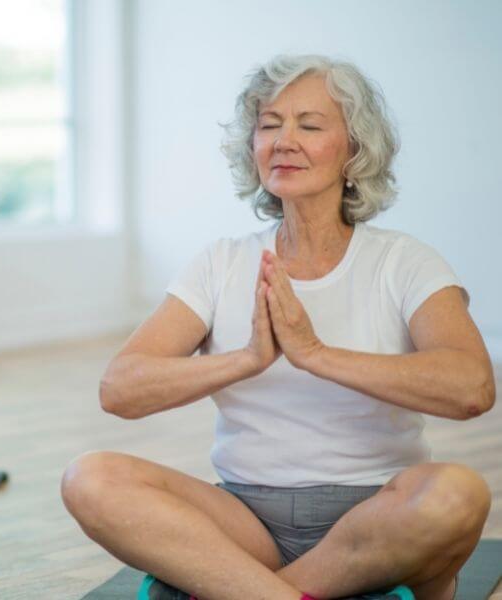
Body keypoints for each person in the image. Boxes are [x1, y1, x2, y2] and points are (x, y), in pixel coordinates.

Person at [61, 55, 495, 600]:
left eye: (309, 126)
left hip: (376, 514)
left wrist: (314, 353)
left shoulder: (405, 262)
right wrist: (246, 359)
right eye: (270, 125)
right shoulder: (220, 262)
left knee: (458, 495)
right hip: (246, 521)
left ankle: (234, 590)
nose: (284, 140)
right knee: (91, 478)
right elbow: (120, 389)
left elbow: (471, 388)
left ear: (354, 150)